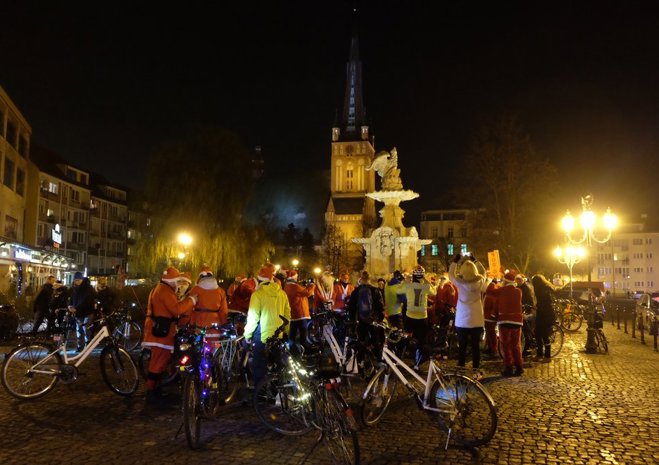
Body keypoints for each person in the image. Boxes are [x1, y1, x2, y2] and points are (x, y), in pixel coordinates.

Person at [142, 267, 196, 406]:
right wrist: (191, 300)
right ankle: (151, 393)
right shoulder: (165, 291)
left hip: (159, 331)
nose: (178, 284)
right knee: (157, 364)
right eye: (177, 281)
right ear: (172, 280)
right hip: (160, 333)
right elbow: (176, 309)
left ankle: (156, 390)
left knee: (159, 362)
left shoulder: (160, 288)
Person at [244, 264, 291, 387]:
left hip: (262, 334)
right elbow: (287, 315)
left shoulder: (257, 294)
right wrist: (286, 331)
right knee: (279, 361)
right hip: (278, 333)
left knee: (259, 363)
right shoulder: (282, 294)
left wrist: (247, 335)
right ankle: (280, 388)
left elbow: (253, 317)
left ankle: (261, 389)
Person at [449, 254, 489, 377]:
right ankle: (476, 368)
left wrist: (455, 262)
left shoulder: (459, 282)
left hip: (462, 320)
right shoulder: (480, 281)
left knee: (462, 345)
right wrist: (475, 260)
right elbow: (484, 272)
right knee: (475, 346)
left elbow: (451, 275)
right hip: (476, 319)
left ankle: (461, 367)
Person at [398, 265, 435, 370]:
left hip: (410, 317)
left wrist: (405, 281)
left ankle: (401, 359)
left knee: (407, 338)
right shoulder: (425, 286)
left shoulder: (408, 286)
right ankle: (417, 364)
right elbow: (434, 292)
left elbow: (398, 291)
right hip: (422, 317)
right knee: (421, 341)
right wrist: (426, 280)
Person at [493, 270, 524, 376]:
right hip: (517, 321)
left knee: (505, 345)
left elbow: (493, 298)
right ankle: (519, 367)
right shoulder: (519, 291)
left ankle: (508, 368)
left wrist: (494, 316)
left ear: (505, 281)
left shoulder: (501, 291)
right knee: (516, 345)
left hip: (504, 320)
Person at [347, 270, 385, 357]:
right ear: (370, 279)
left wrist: (353, 320)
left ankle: (361, 360)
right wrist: (379, 319)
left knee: (361, 341)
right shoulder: (376, 291)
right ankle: (377, 359)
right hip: (373, 321)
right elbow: (381, 307)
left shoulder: (356, 291)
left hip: (360, 321)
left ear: (361, 279)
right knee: (376, 341)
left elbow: (351, 308)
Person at [283, 269, 315, 349]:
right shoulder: (295, 286)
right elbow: (307, 293)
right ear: (294, 277)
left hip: (292, 313)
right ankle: (304, 348)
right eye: (296, 277)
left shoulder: (287, 286)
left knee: (292, 332)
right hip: (299, 313)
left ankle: (291, 348)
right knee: (303, 331)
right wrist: (312, 285)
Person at [531, 274, 558, 361]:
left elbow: (545, 303)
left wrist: (538, 307)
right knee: (537, 334)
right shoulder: (542, 289)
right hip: (542, 315)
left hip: (546, 316)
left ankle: (547, 356)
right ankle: (539, 354)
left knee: (544, 335)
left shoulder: (543, 291)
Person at [69, 272, 97, 352]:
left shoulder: (88, 288)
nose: (77, 281)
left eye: (78, 280)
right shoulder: (74, 288)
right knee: (79, 330)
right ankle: (80, 346)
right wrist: (69, 305)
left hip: (87, 311)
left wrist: (76, 308)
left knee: (86, 328)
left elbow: (85, 300)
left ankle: (88, 345)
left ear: (82, 279)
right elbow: (71, 298)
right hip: (78, 313)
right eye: (75, 280)